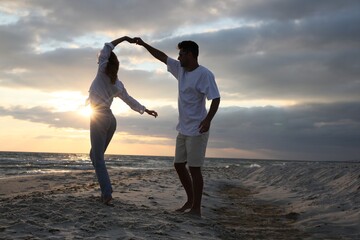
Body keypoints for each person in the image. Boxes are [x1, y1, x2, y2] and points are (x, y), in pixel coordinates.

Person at [133, 37, 220, 216]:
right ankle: (190, 200)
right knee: (179, 165)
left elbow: (216, 98)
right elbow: (161, 56)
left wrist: (208, 120)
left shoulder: (204, 74)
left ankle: (197, 208)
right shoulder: (180, 70)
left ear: (190, 54)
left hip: (198, 129)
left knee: (194, 168)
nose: (178, 58)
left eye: (181, 54)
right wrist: (143, 44)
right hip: (183, 128)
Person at [88, 36, 158, 205]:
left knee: (98, 159)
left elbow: (107, 47)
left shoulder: (102, 70)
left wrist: (125, 39)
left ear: (105, 61)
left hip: (99, 117)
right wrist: (145, 109)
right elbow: (129, 100)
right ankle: (105, 190)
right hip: (111, 120)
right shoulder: (117, 83)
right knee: (94, 155)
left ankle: (106, 193)